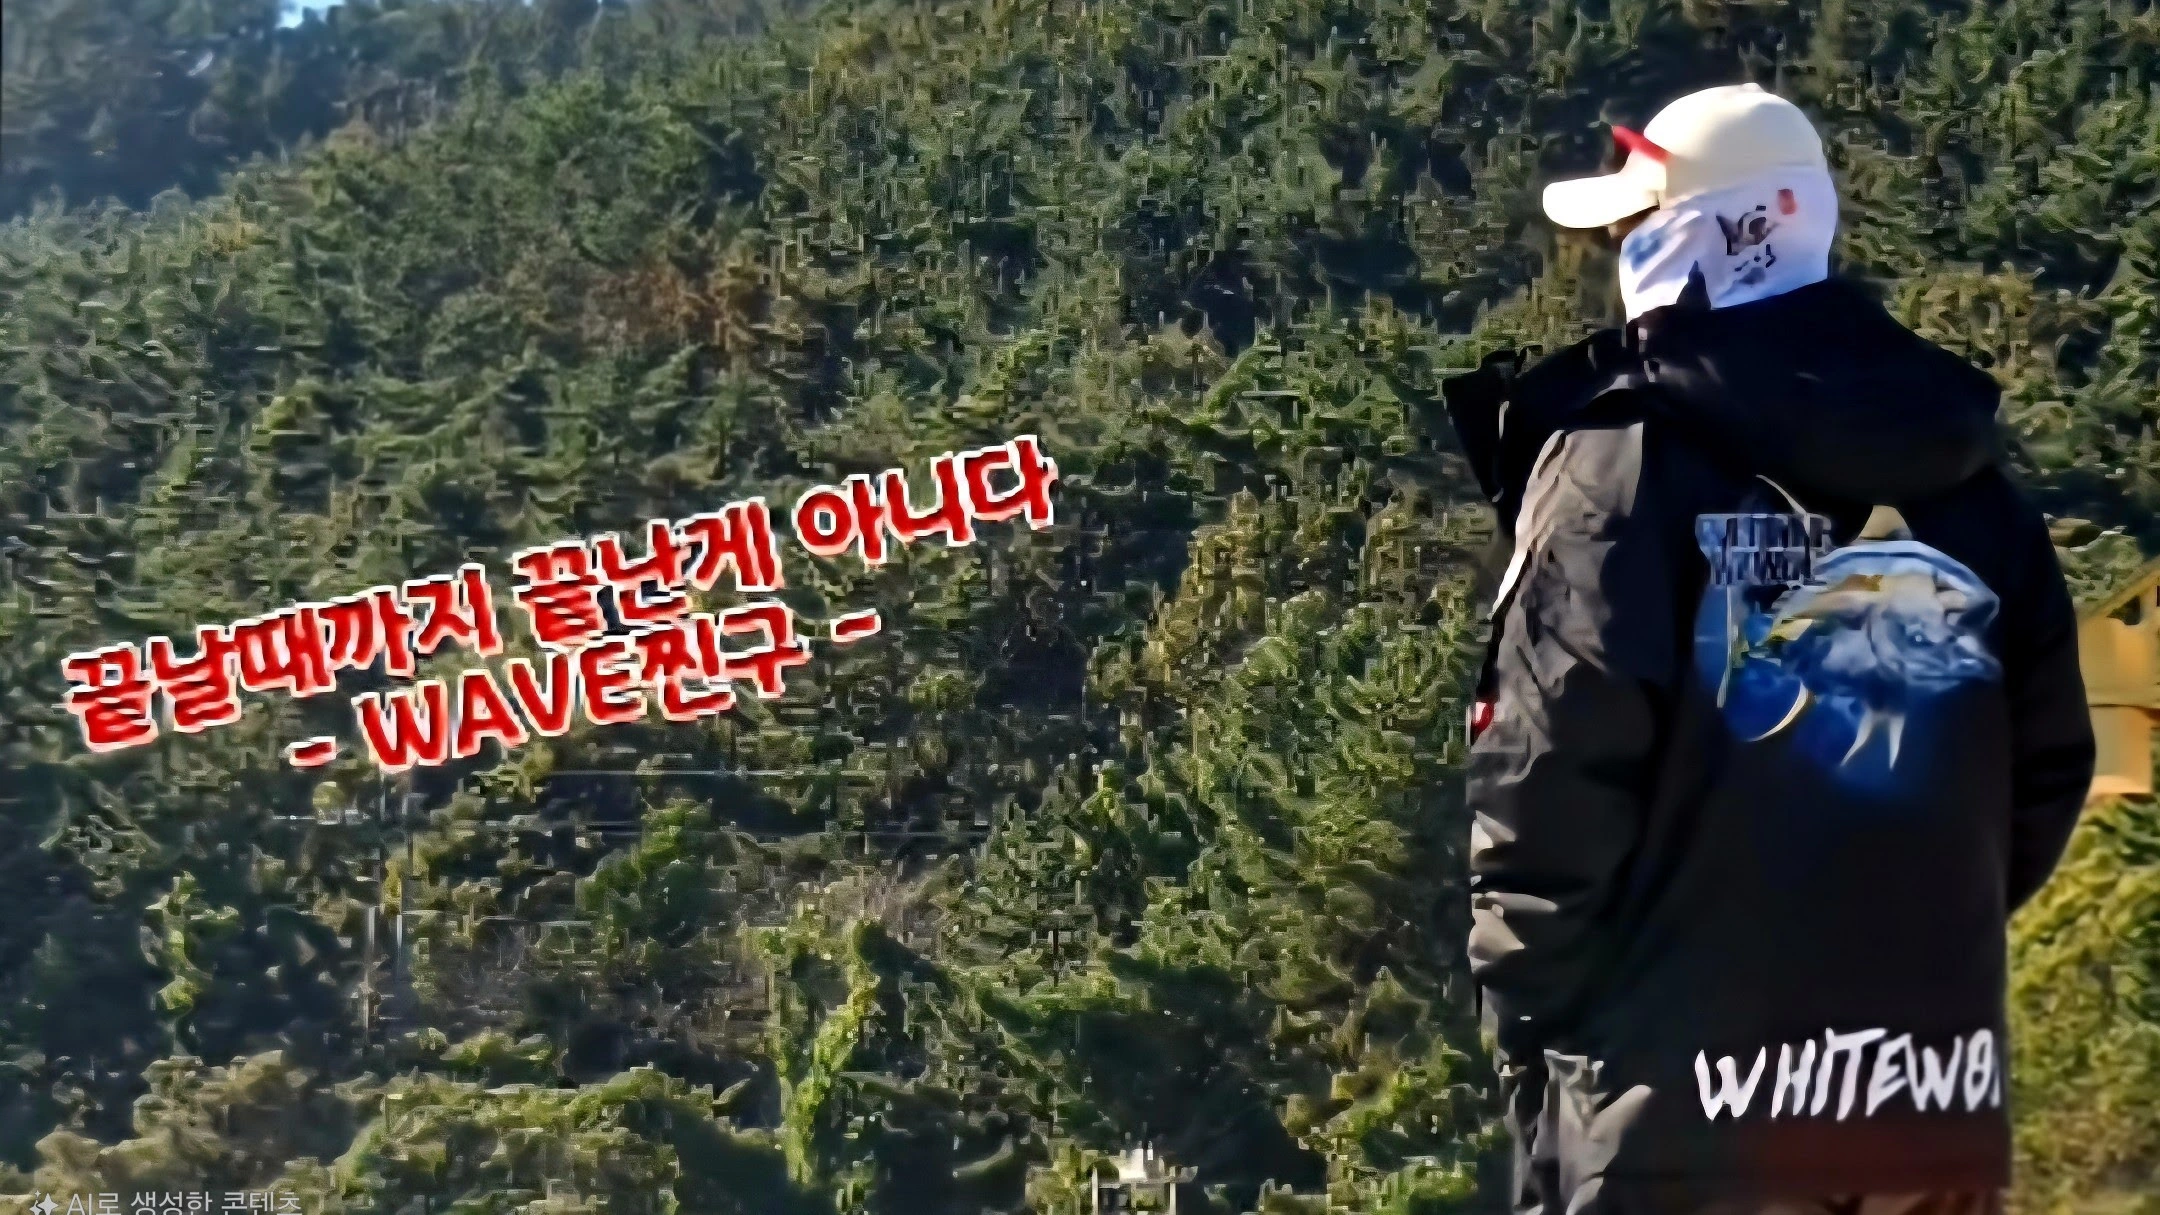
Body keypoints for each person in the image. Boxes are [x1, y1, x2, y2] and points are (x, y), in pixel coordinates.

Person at [1440, 84, 2098, 1215]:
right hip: (1923, 1109)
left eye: (1636, 225)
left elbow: (1544, 783)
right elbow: (2045, 770)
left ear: (1716, 232)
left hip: (1678, 1128)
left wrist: (1544, 1043)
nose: (1621, 254)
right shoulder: (1968, 476)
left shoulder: (1621, 468)